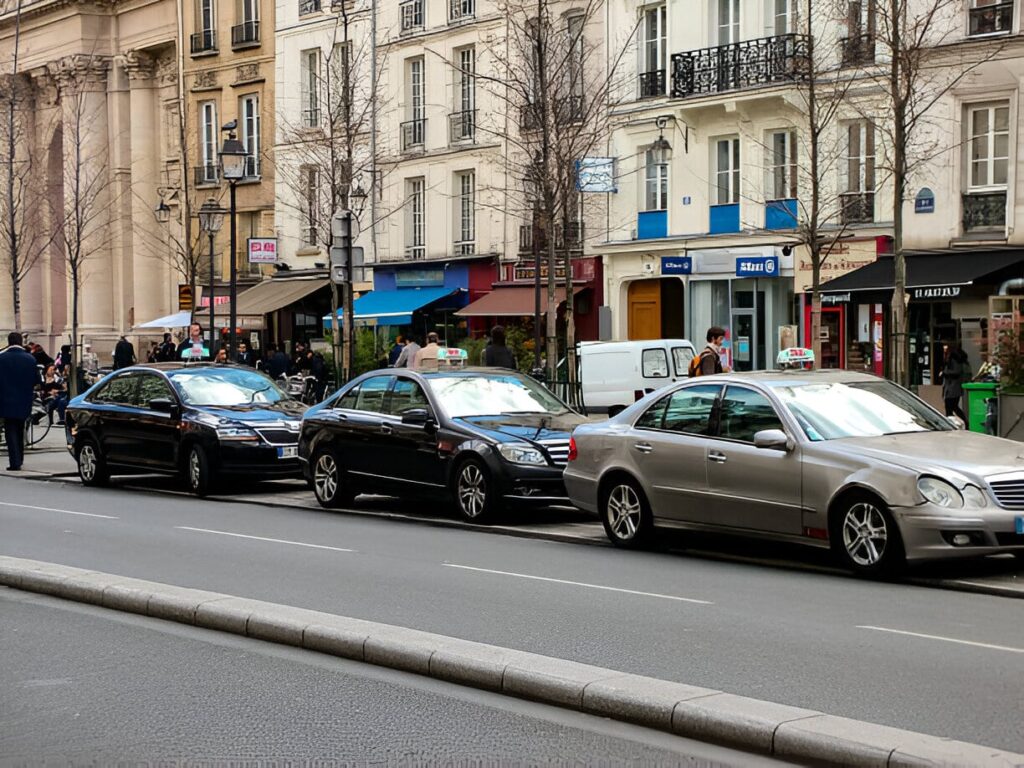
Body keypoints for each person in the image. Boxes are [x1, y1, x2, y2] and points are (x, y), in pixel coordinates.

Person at [0, 332, 41, 471]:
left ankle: (15, 461)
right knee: (20, 428)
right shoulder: (30, 359)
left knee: (10, 430)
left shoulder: (2, 358)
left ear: (9, 342)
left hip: (5, 400)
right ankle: (20, 458)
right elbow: (37, 381)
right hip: (24, 400)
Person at [942, 344, 969, 421]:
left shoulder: (954, 361)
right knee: (952, 407)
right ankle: (962, 421)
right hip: (951, 388)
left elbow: (956, 372)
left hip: (952, 388)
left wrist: (945, 373)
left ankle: (964, 421)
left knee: (951, 406)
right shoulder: (953, 361)